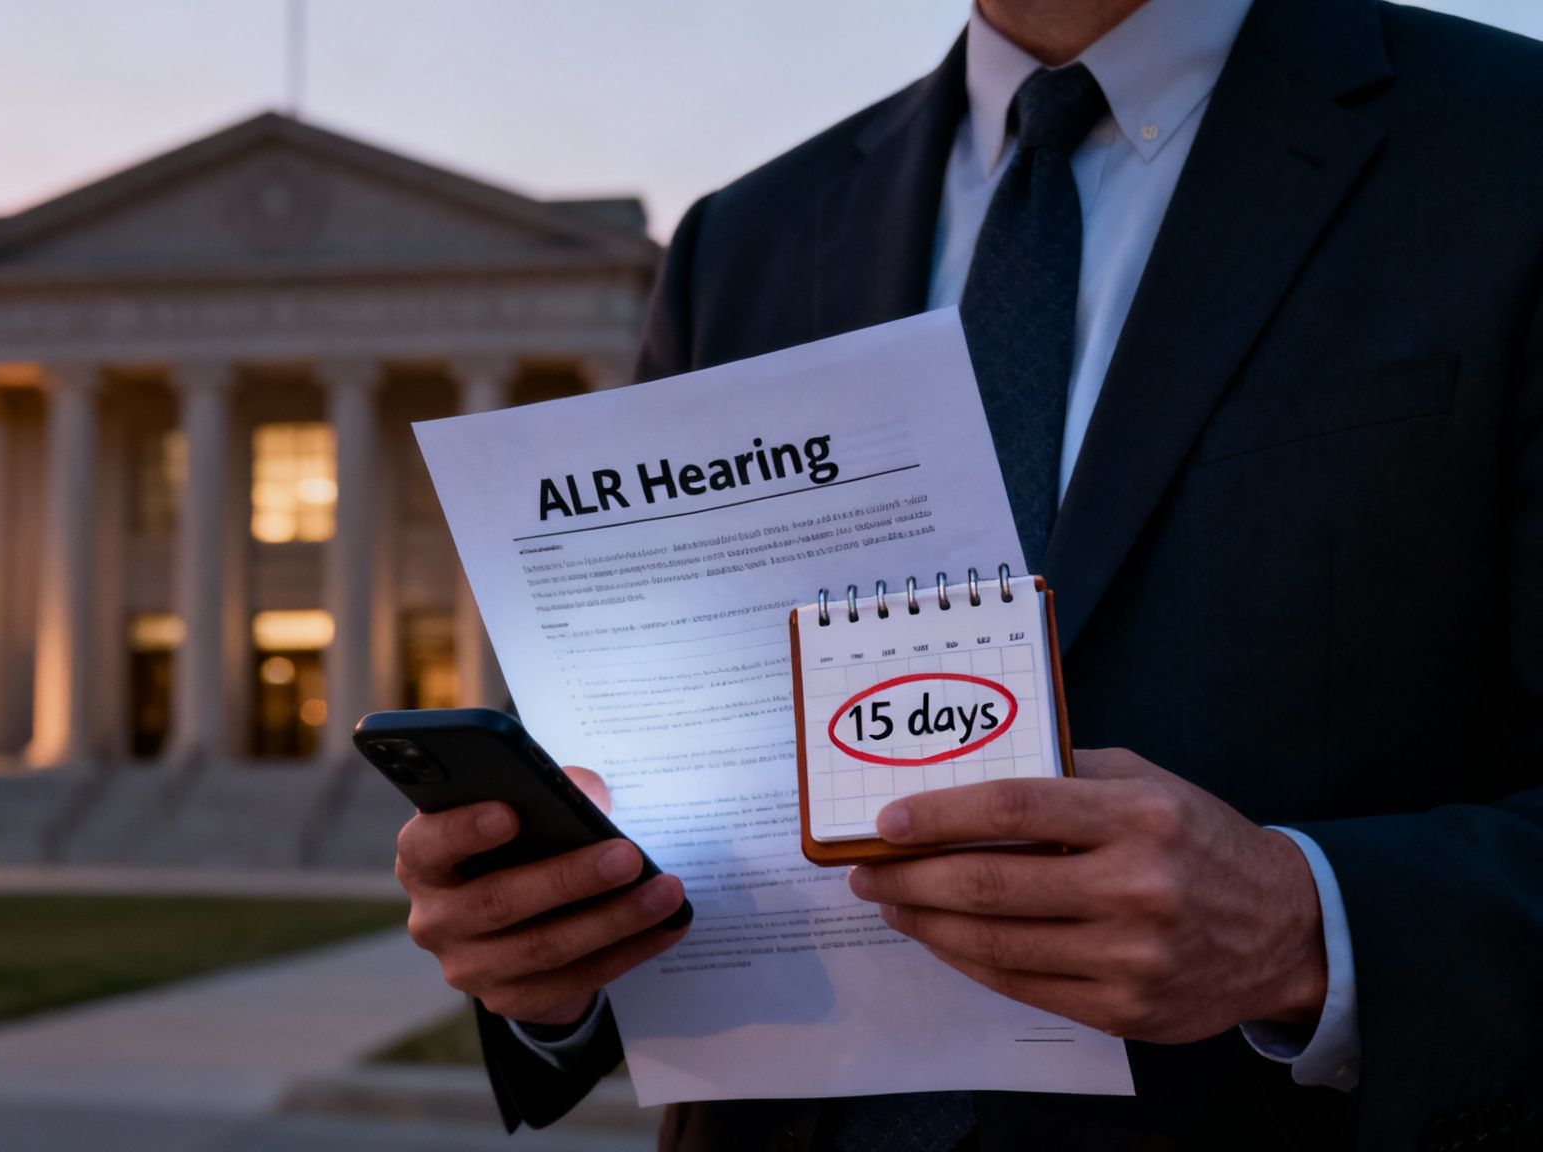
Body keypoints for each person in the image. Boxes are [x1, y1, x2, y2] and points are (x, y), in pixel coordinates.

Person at [391, 0, 1543, 1147]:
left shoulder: (1504, 143)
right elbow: (674, 803)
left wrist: (1307, 928)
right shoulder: (741, 241)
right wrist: (547, 939)